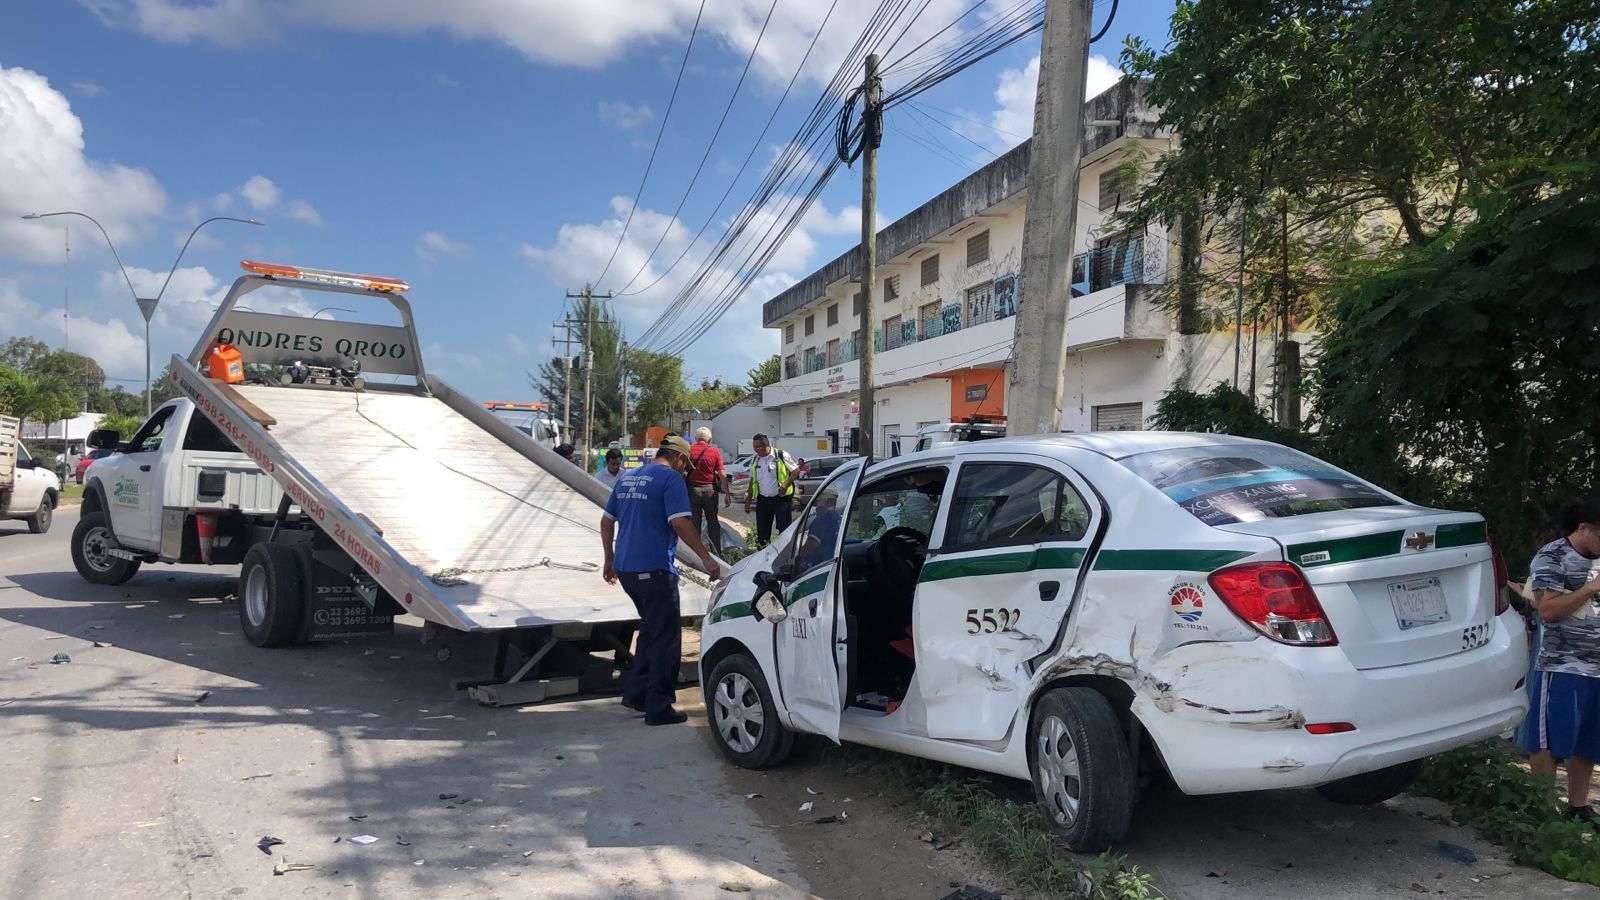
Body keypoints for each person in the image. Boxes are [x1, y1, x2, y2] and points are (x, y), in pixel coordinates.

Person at [600, 434, 721, 726]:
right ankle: (658, 707)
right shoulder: (670, 479)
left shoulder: (627, 478)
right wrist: (706, 558)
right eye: (685, 465)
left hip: (628, 570)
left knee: (651, 629)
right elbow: (680, 522)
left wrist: (609, 559)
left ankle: (636, 694)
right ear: (678, 458)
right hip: (654, 569)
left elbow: (606, 520)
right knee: (666, 639)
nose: (684, 470)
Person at [1525, 499, 1600, 823]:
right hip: (1563, 664)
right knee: (1549, 740)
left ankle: (1578, 806)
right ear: (1584, 528)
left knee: (1589, 741)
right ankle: (1542, 810)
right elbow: (1547, 610)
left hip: (1598, 669)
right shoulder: (1552, 556)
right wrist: (1591, 587)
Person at [745, 433, 798, 547]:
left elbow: (795, 471)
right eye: (754, 447)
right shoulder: (756, 459)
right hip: (763, 500)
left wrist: (785, 485)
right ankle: (763, 555)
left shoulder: (781, 455)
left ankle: (783, 555)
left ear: (765, 445)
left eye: (757, 447)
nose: (755, 449)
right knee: (762, 532)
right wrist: (748, 499)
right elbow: (752, 479)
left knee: (784, 530)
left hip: (781, 500)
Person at [686, 427, 728, 550]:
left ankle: (695, 553)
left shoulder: (689, 450)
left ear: (696, 438)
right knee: (713, 522)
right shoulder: (714, 452)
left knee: (694, 524)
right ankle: (716, 552)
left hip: (692, 490)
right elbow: (722, 474)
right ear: (709, 439)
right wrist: (727, 493)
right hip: (710, 491)